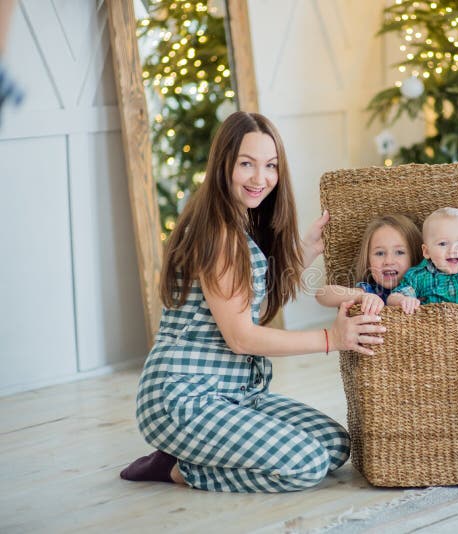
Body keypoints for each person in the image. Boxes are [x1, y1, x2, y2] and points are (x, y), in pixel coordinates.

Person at [119, 111, 386, 493]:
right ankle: (177, 468)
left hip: (235, 394)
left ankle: (197, 453)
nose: (260, 178)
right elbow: (243, 338)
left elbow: (253, 310)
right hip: (183, 398)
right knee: (307, 465)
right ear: (224, 163)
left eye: (270, 166)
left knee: (335, 446)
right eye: (247, 164)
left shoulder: (241, 227)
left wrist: (306, 251)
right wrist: (333, 339)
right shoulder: (219, 235)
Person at [316, 213, 423, 315]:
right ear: (368, 261)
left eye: (400, 252)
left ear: (414, 256)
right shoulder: (372, 291)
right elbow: (322, 294)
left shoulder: (424, 287)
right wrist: (361, 296)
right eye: (380, 253)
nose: (389, 261)